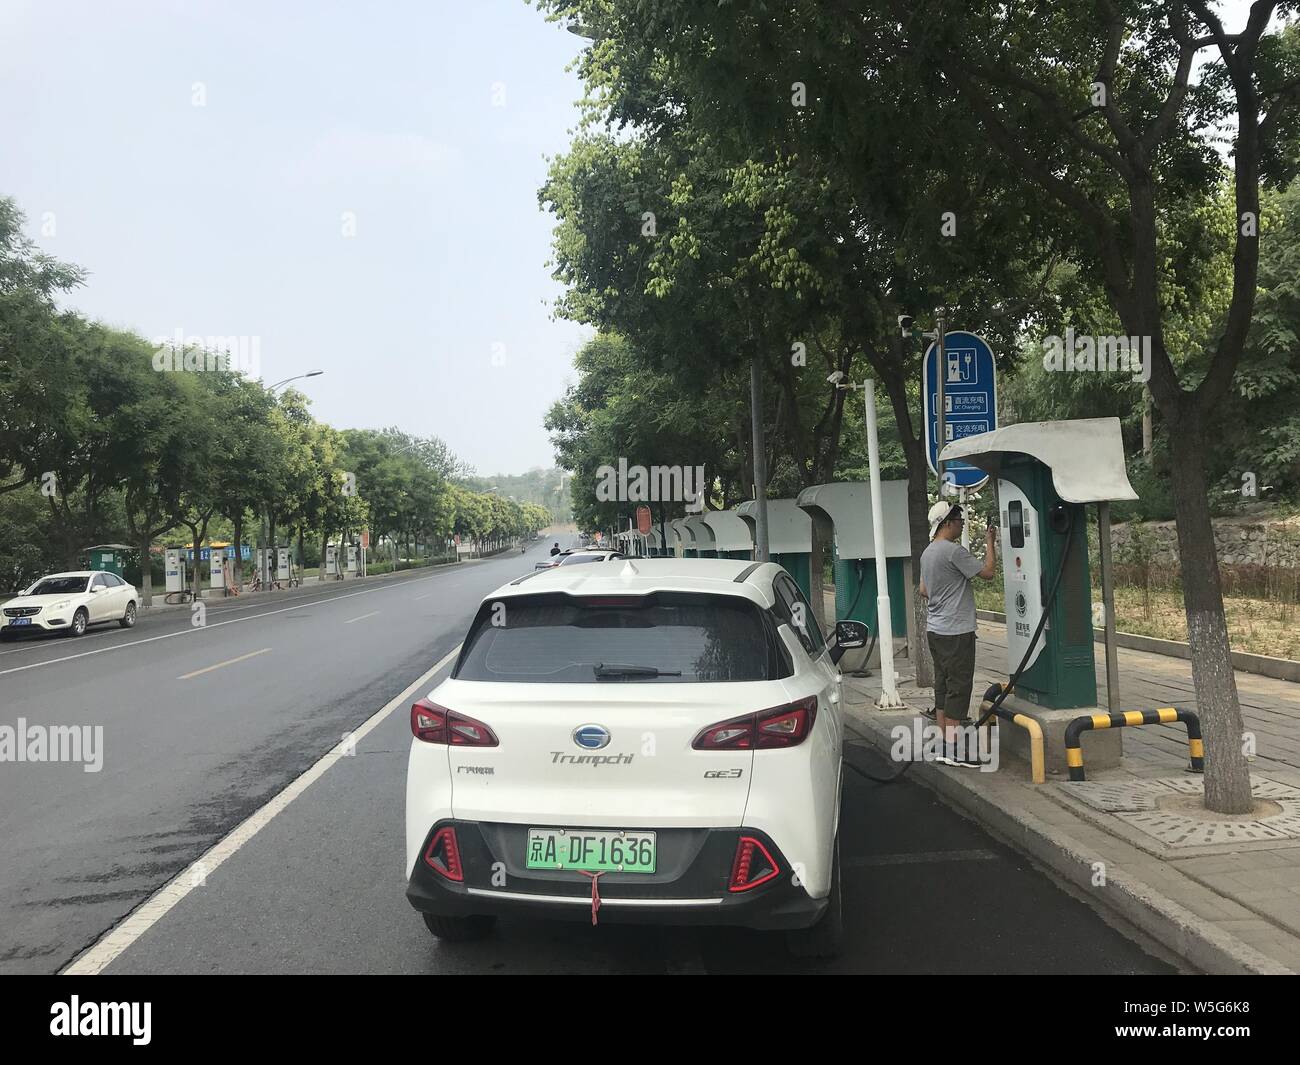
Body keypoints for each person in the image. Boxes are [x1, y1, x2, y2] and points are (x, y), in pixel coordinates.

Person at [919, 501, 996, 766]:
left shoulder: (927, 553)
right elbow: (987, 573)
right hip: (956, 631)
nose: (962, 523)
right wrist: (990, 542)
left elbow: (924, 590)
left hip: (935, 630)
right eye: (959, 520)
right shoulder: (954, 552)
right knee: (959, 689)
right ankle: (953, 750)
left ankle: (943, 746)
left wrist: (944, 590)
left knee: (942, 687)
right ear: (948, 523)